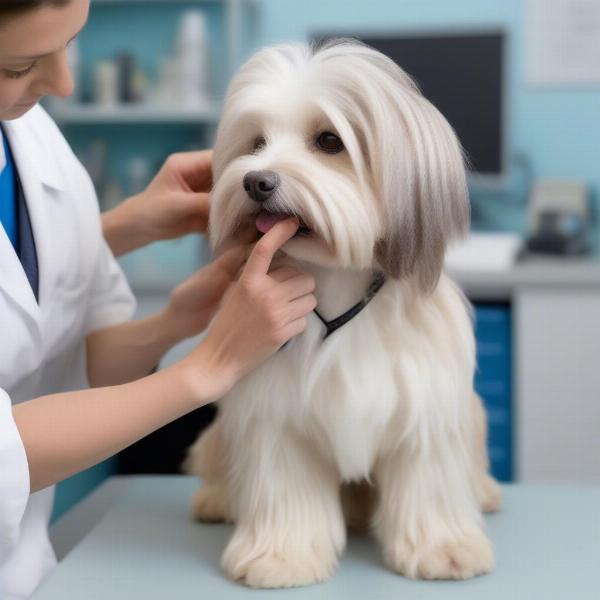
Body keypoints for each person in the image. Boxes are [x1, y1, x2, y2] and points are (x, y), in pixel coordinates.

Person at [0, 1, 316, 597]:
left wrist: (176, 317)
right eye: (20, 66)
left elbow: (74, 348)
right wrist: (211, 365)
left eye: (72, 41)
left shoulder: (28, 129)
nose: (63, 84)